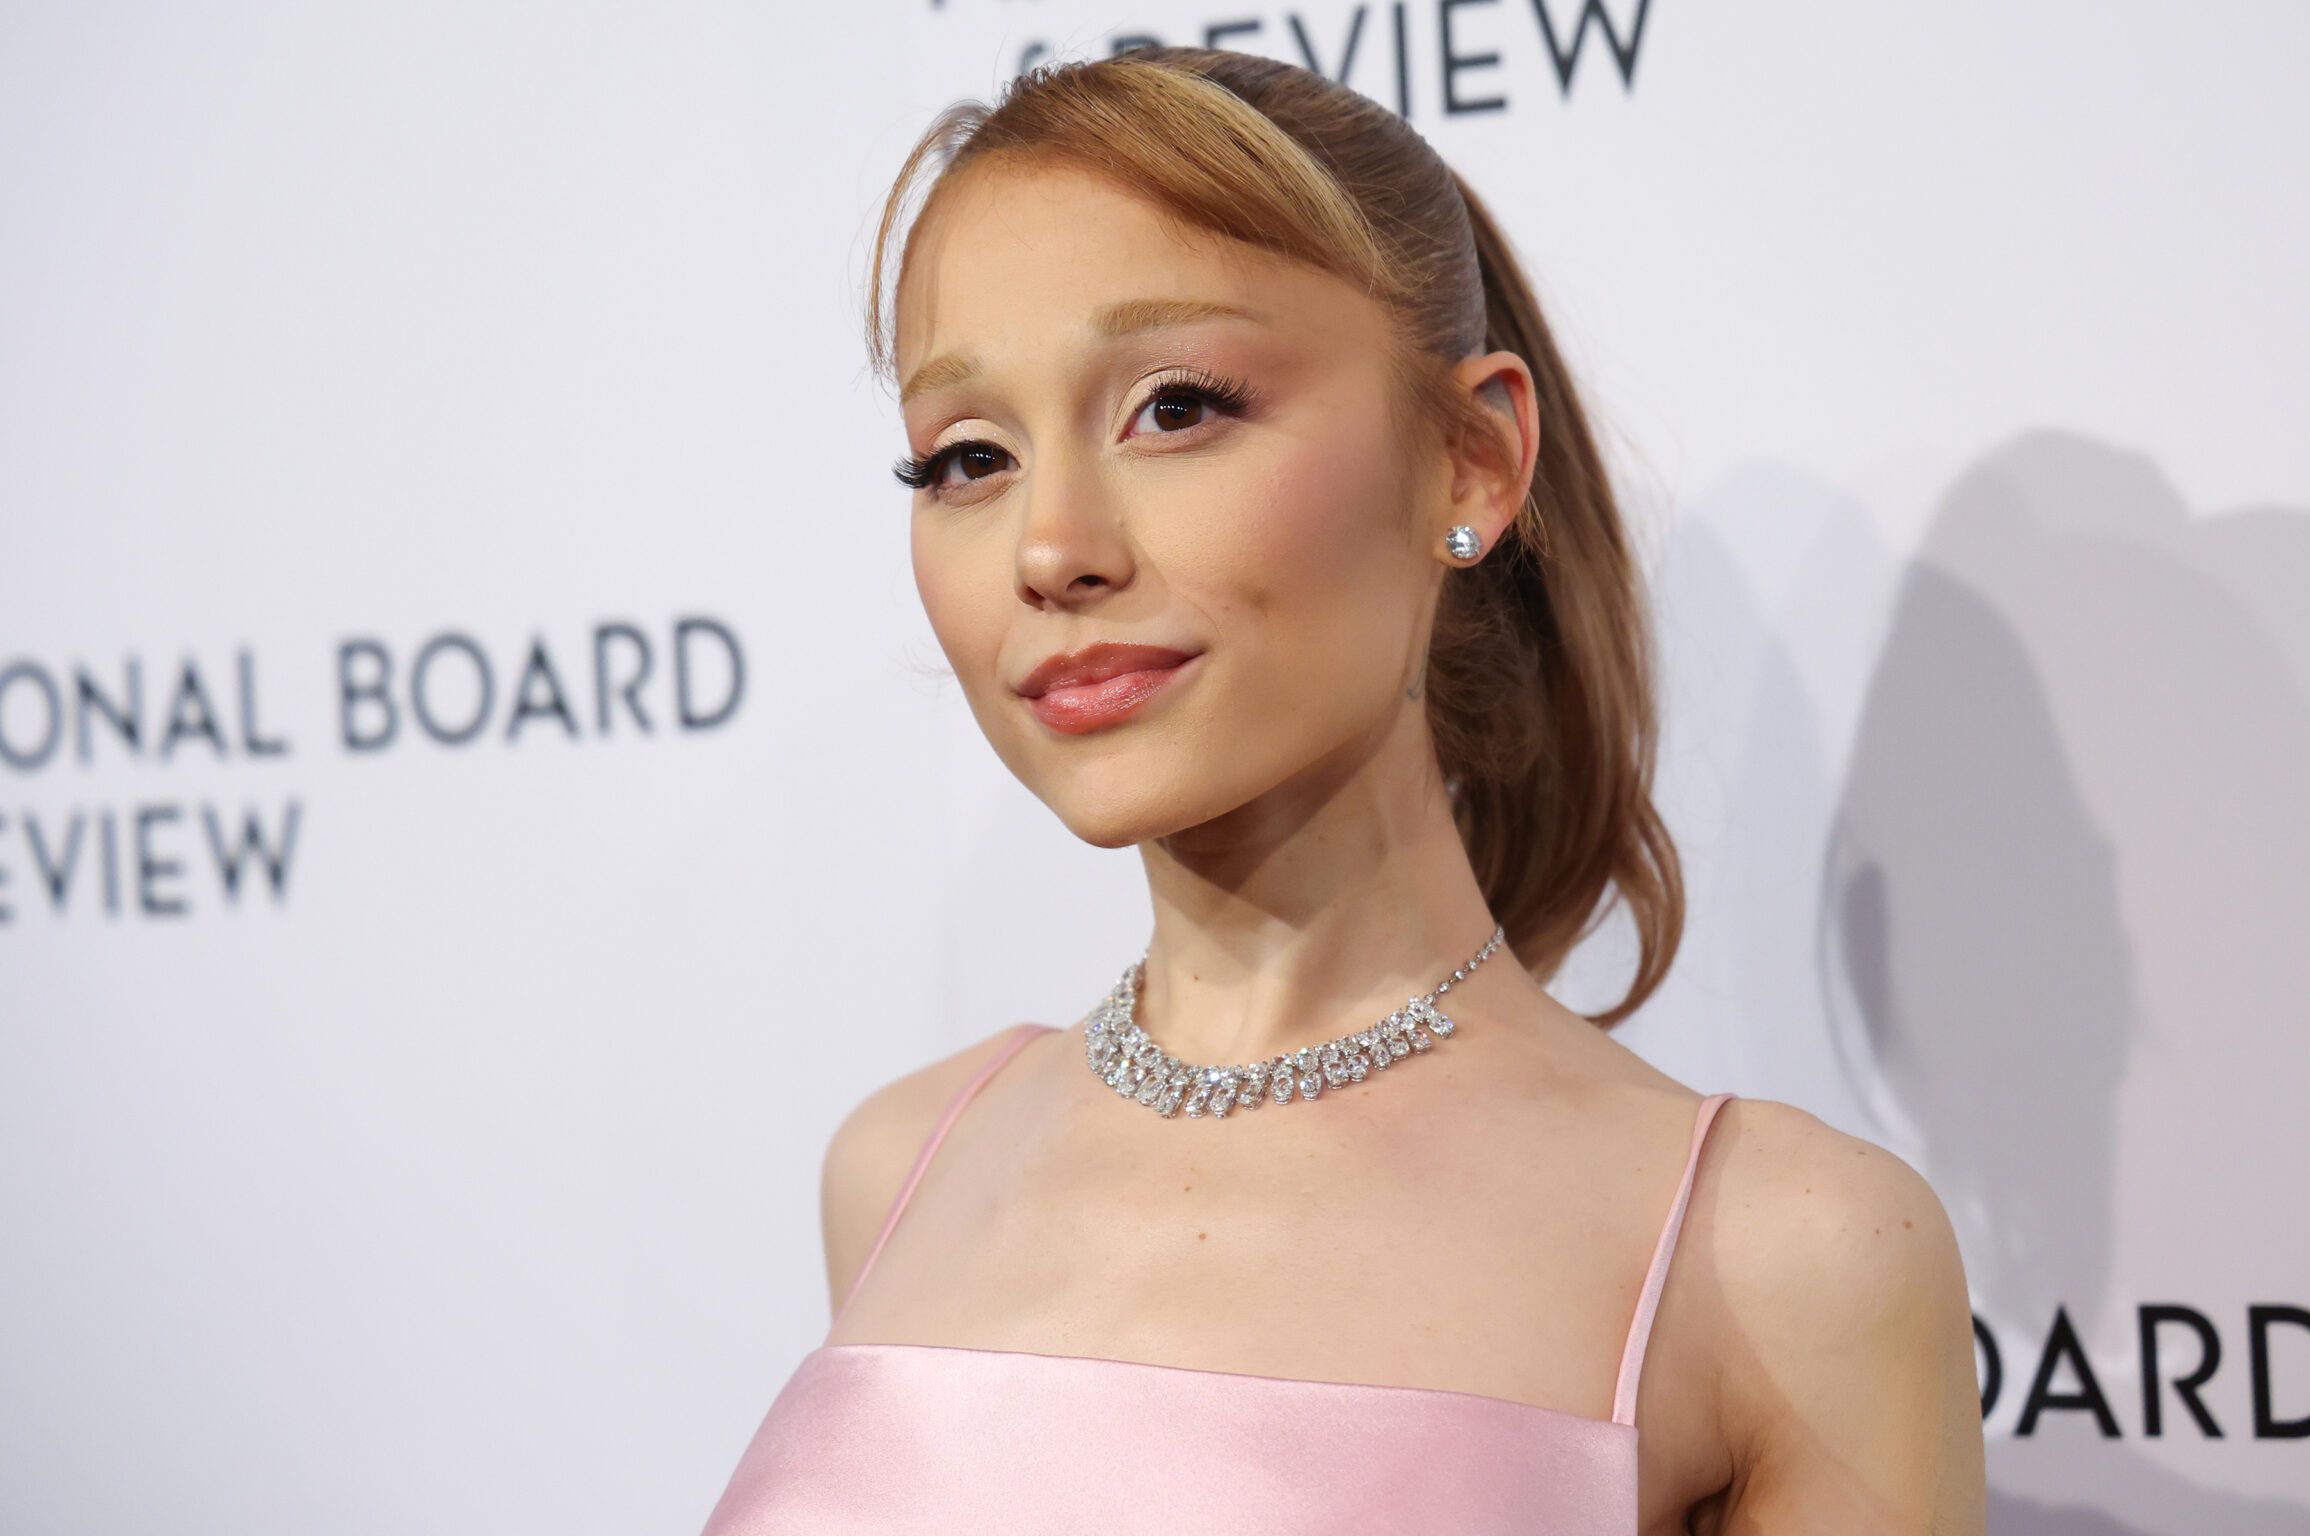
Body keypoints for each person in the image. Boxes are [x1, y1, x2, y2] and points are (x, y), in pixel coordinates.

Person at [704, 44, 1985, 1535]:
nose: (1052, 548)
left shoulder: (1776, 1257)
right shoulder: (900, 1167)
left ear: (1470, 458)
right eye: (967, 457)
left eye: (1176, 406)